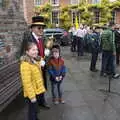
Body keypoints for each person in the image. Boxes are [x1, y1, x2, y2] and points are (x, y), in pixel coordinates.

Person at [20, 16, 50, 109]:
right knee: (34, 86)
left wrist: (47, 53)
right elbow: (23, 55)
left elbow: (48, 47)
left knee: (42, 83)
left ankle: (42, 101)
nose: (41, 30)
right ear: (33, 28)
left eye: (43, 28)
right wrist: (39, 59)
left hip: (42, 67)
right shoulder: (28, 39)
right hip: (33, 67)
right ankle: (35, 104)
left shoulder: (42, 37)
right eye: (39, 28)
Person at [20, 42, 46, 120]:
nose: (36, 51)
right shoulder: (25, 64)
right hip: (32, 93)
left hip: (37, 90)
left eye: (36, 49)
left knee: (35, 110)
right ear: (27, 52)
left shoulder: (34, 59)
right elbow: (27, 83)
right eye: (33, 50)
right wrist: (32, 97)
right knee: (32, 111)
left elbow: (39, 60)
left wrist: (41, 62)